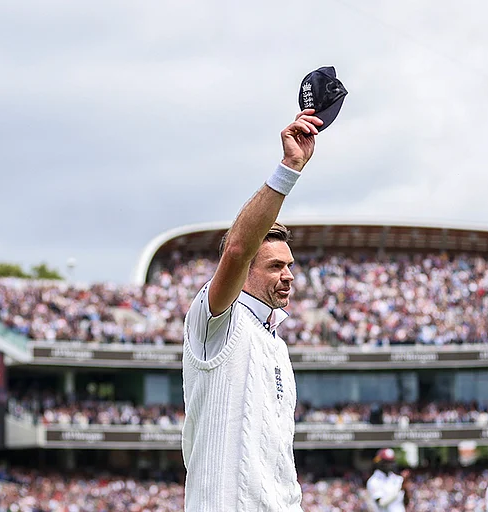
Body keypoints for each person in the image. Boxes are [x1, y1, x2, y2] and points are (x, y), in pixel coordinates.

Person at [181, 109, 323, 511]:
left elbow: (278, 458)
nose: (289, 275)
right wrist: (289, 168)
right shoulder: (216, 320)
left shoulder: (274, 341)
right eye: (276, 266)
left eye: (290, 265)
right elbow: (240, 247)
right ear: (243, 272)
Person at [365, 448, 409, 512]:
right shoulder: (374, 481)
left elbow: (406, 502)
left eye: (391, 462)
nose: (389, 465)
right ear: (379, 462)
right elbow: (382, 503)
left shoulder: (398, 479)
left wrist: (405, 488)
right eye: (386, 462)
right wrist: (399, 488)